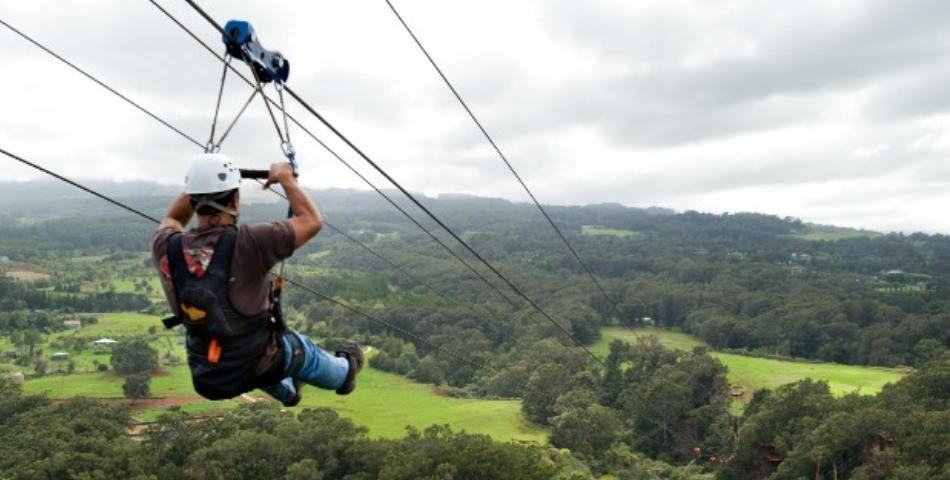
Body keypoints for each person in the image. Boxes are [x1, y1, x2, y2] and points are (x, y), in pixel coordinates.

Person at [150, 153, 362, 406]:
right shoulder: (250, 242)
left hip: (208, 375)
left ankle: (290, 393)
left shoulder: (165, 246)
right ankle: (345, 372)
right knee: (299, 349)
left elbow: (173, 219)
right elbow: (312, 221)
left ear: (192, 199)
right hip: (257, 361)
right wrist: (285, 178)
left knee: (248, 352)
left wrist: (199, 183)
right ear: (236, 199)